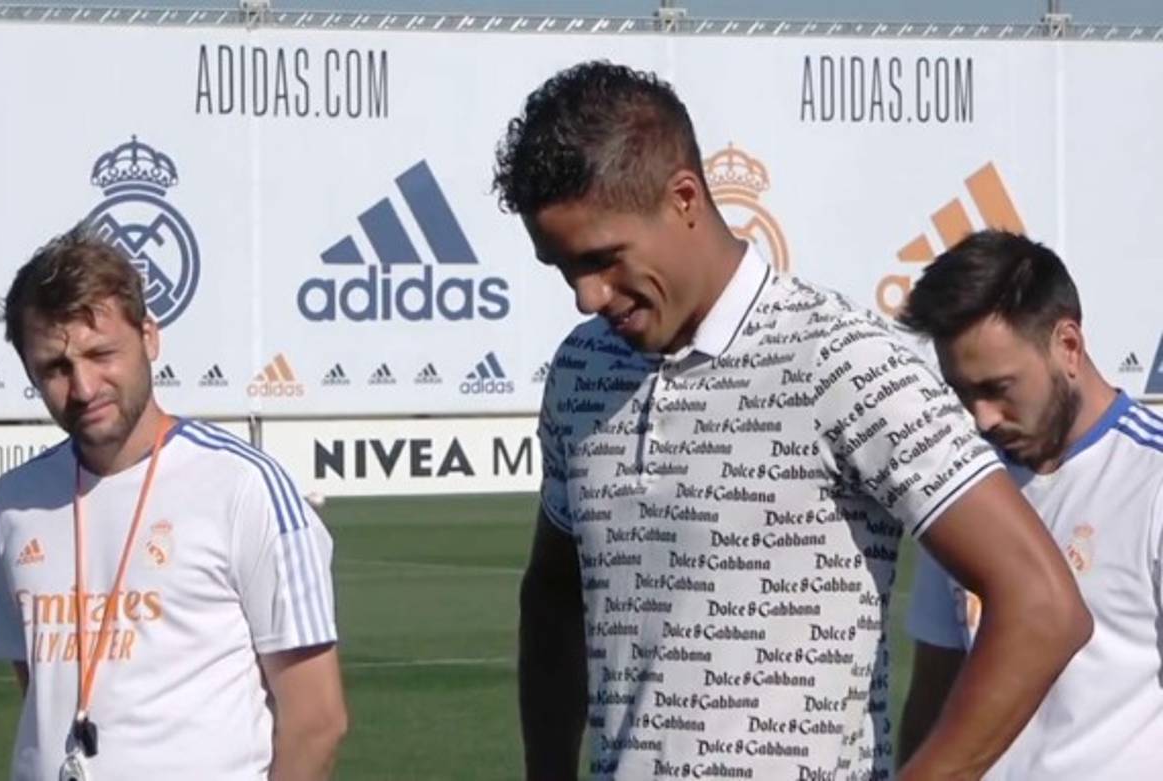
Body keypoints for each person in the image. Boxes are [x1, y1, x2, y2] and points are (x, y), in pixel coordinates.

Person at [493, 61, 1091, 781]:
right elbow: (554, 593)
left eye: (603, 259)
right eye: (563, 268)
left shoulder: (841, 360)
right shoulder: (582, 370)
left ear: (684, 197)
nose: (587, 295)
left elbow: (1044, 603)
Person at [0, 227, 347, 780]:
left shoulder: (245, 487)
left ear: (149, 337)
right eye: (55, 368)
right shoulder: (13, 504)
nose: (83, 387)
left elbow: (316, 719)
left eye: (102, 353)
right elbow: (39, 690)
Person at [897, 230, 1163, 779]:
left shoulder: (1152, 480)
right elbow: (934, 687)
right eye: (962, 393)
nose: (982, 418)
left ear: (1068, 346)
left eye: (999, 388)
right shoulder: (961, 485)